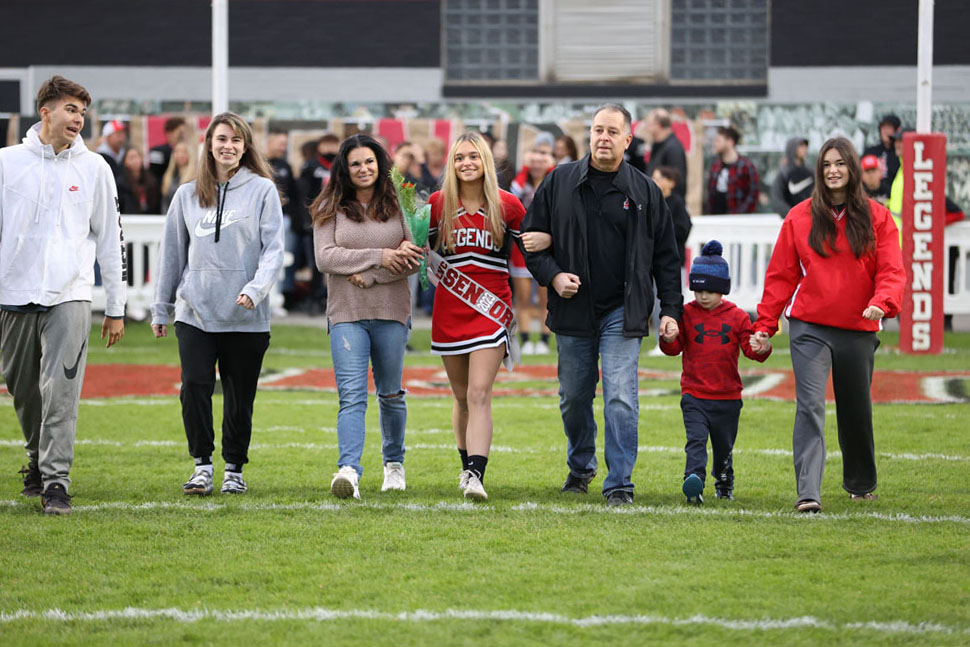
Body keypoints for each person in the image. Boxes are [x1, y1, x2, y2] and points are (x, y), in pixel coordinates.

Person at [523, 103, 684, 506]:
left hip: (623, 311)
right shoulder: (559, 181)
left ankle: (619, 484)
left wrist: (670, 310)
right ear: (589, 135)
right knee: (574, 398)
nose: (603, 138)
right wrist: (554, 275)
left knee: (620, 396)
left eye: (613, 131)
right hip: (573, 309)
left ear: (628, 140)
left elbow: (667, 257)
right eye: (598, 130)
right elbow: (530, 240)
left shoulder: (645, 191)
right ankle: (581, 466)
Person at [751, 137, 904, 514]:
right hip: (809, 327)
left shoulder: (878, 217)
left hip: (859, 326)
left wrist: (880, 304)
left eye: (840, 163)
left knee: (855, 408)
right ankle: (808, 492)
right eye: (826, 164)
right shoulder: (800, 216)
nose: (833, 170)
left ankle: (861, 483)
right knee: (809, 406)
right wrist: (765, 324)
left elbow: (891, 271)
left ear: (852, 169)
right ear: (818, 171)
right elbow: (781, 277)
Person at [0, 75, 127, 515]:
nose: (79, 119)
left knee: (61, 391)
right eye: (71, 109)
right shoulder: (6, 163)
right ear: (46, 111)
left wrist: (116, 306)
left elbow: (111, 239)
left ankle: (56, 482)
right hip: (12, 294)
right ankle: (36, 460)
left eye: (83, 113)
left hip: (70, 294)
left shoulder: (95, 169)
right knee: (23, 391)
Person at [151, 112, 285, 497]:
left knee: (239, 397)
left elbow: (274, 252)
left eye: (236, 140)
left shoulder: (262, 191)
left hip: (246, 316)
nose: (228, 146)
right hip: (195, 312)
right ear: (209, 144)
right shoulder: (186, 195)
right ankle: (202, 465)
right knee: (194, 385)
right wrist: (162, 308)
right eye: (221, 138)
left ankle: (234, 469)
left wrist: (255, 290)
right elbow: (171, 256)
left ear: (245, 147)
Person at [312, 134, 423, 500]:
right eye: (355, 163)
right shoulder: (329, 205)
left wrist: (374, 273)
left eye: (370, 162)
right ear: (344, 167)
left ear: (381, 164)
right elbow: (326, 257)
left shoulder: (401, 201)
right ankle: (349, 470)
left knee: (391, 393)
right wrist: (379, 254)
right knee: (352, 396)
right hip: (346, 313)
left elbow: (413, 256)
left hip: (391, 311)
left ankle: (394, 465)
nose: (363, 169)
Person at [428, 131, 526, 501]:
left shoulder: (508, 206)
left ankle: (475, 474)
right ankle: (465, 467)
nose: (466, 163)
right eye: (459, 158)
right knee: (461, 397)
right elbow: (420, 249)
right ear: (451, 165)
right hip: (450, 310)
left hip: (491, 309)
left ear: (485, 161)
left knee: (479, 392)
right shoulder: (437, 205)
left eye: (473, 157)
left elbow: (531, 249)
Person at [660, 241, 771, 504]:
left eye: (710, 290)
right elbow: (675, 349)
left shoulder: (738, 317)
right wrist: (668, 338)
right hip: (694, 394)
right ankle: (693, 480)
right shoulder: (685, 314)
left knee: (723, 448)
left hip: (728, 397)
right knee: (695, 441)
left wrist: (761, 345)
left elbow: (751, 350)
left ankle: (724, 481)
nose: (703, 296)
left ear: (722, 289)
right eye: (698, 289)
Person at [510, 132, 556, 354]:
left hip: (548, 244)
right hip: (523, 245)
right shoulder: (521, 181)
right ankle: (527, 338)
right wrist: (526, 169)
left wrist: (549, 167)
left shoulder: (553, 180)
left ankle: (545, 340)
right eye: (533, 161)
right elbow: (513, 193)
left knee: (546, 297)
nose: (537, 165)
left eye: (542, 161)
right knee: (523, 297)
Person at [266, 129, 310, 311]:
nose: (283, 147)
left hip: (284, 219)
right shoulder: (260, 164)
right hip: (264, 220)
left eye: (285, 144)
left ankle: (285, 295)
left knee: (286, 258)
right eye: (280, 143)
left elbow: (294, 194)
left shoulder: (286, 165)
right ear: (270, 141)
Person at [706, 126, 760, 214]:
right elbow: (710, 194)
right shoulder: (716, 165)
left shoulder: (746, 166)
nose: (715, 144)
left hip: (737, 220)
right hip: (716, 218)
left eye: (718, 140)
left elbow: (753, 195)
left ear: (730, 142)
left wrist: (740, 214)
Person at [645, 109, 688, 198]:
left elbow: (678, 182)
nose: (647, 128)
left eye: (649, 124)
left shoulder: (673, 148)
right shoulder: (657, 145)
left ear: (658, 125)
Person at [770, 136, 814, 216]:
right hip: (792, 220)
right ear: (792, 148)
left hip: (811, 218)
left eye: (805, 146)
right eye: (801, 145)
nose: (804, 148)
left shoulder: (810, 172)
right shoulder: (784, 174)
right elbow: (777, 200)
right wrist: (792, 215)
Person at [862, 114, 901, 190]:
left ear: (896, 130)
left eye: (889, 127)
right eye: (883, 127)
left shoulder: (899, 154)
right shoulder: (871, 151)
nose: (885, 131)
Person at [120, 147, 161, 214]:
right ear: (125, 162)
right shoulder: (121, 183)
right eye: (131, 158)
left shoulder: (151, 180)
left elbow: (156, 204)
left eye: (137, 157)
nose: (135, 161)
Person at [161, 140, 197, 214]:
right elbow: (165, 202)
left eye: (184, 152)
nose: (180, 155)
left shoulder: (194, 177)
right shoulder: (168, 176)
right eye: (177, 152)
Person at [148, 116, 187, 183]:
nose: (183, 136)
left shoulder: (188, 152)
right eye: (180, 133)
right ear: (169, 133)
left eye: (184, 133)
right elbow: (154, 178)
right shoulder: (157, 152)